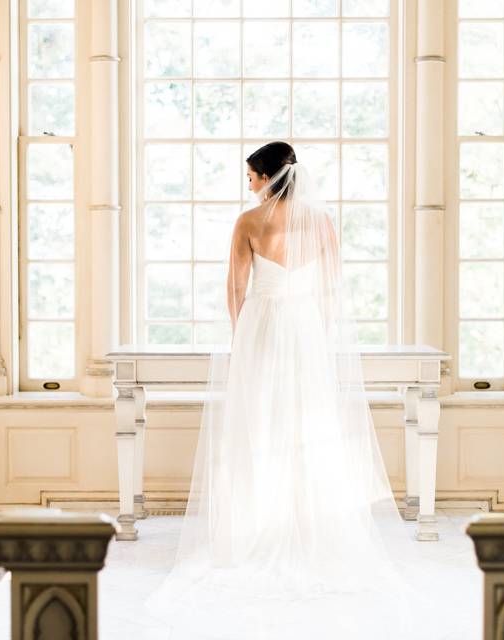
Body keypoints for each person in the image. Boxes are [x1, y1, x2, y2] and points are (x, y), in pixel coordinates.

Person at [143, 141, 429, 639]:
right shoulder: (320, 221)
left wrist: (241, 332)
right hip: (303, 327)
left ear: (269, 176)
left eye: (251, 175)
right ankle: (304, 527)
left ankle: (256, 529)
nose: (248, 184)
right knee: (306, 425)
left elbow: (234, 288)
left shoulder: (249, 223)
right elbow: (333, 286)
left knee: (258, 425)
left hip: (262, 324)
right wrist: (318, 327)